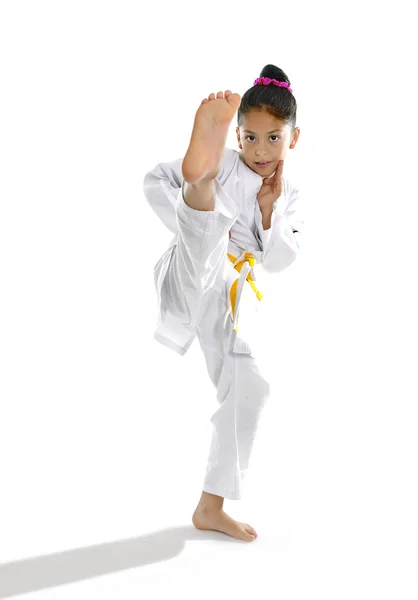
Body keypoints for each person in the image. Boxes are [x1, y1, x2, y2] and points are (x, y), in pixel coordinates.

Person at [143, 64, 303, 542]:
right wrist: (213, 216)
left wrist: (270, 209)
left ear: (294, 138)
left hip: (229, 299)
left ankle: (209, 507)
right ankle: (201, 186)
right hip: (189, 268)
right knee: (205, 235)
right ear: (235, 135)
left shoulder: (289, 195)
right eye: (249, 138)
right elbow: (153, 181)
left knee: (253, 385)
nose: (259, 151)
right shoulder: (231, 163)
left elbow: (279, 260)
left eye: (273, 138)